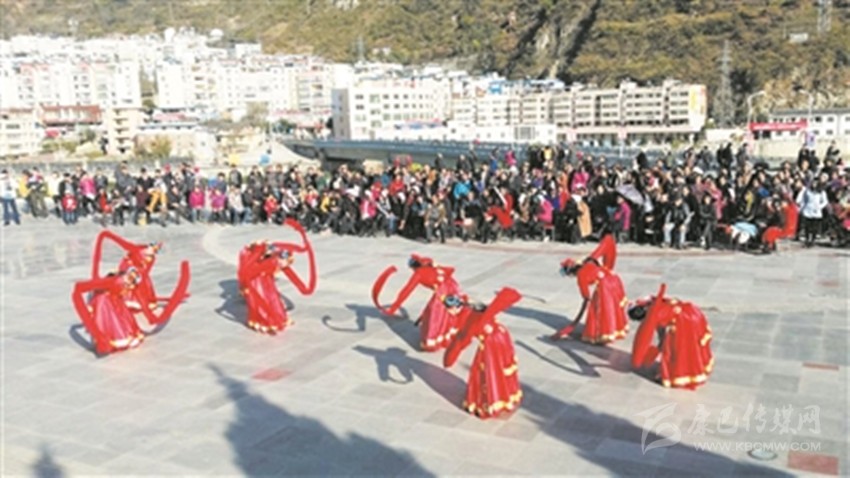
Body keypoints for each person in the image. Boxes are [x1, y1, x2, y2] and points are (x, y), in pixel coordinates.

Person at [442, 287, 523, 419]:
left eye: (448, 309)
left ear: (454, 308)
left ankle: (488, 402)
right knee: (501, 368)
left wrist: (451, 357)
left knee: (486, 371)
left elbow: (463, 340)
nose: (448, 312)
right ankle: (505, 396)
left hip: (491, 342)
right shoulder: (471, 308)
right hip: (502, 335)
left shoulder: (465, 318)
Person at [237, 220, 317, 334]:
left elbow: (291, 274)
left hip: (265, 278)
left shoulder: (277, 256)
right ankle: (264, 321)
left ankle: (278, 318)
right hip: (257, 280)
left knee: (273, 299)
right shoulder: (269, 259)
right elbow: (251, 266)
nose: (284, 265)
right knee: (263, 300)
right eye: (284, 263)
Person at [629, 284, 714, 389]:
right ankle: (695, 369)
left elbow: (658, 336)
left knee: (675, 350)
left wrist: (660, 346)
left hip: (683, 322)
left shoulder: (653, 316)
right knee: (692, 347)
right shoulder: (653, 302)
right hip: (692, 313)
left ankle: (675, 374)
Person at [372, 254, 463, 351]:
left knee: (435, 315)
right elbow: (448, 270)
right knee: (445, 313)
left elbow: (406, 291)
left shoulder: (418, 274)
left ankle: (432, 341)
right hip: (452, 286)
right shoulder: (430, 265)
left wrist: (393, 308)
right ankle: (448, 336)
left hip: (443, 291)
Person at [552, 235, 628, 344]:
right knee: (613, 308)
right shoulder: (590, 260)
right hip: (613, 279)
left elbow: (586, 295)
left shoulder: (580, 276)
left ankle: (600, 334)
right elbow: (605, 245)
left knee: (600, 310)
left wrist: (586, 300)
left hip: (605, 285)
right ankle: (617, 329)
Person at [72, 268, 145, 355]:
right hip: (104, 304)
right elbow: (87, 287)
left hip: (114, 302)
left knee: (122, 313)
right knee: (106, 309)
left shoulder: (123, 288)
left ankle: (123, 337)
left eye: (132, 281)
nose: (129, 283)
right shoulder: (112, 285)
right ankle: (111, 340)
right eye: (129, 278)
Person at [797, 180, 828, 247]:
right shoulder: (807, 191)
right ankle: (807, 239)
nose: (814, 184)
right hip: (808, 210)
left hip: (816, 211)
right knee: (807, 226)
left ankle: (812, 240)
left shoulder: (821, 192)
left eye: (816, 183)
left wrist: (819, 207)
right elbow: (804, 200)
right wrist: (802, 208)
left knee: (814, 227)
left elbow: (825, 201)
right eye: (813, 183)